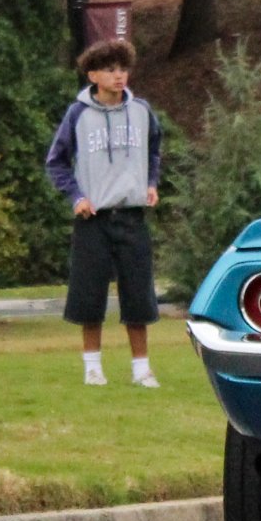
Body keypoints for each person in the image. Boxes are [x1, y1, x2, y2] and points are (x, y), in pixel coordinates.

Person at [45, 39, 163, 388]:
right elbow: (57, 162)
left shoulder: (141, 110)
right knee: (89, 295)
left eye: (123, 68)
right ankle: (92, 368)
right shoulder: (77, 114)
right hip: (92, 220)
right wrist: (75, 196)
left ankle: (142, 369)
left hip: (132, 217)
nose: (119, 76)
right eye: (110, 70)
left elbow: (154, 149)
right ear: (92, 74)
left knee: (139, 295)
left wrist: (151, 182)